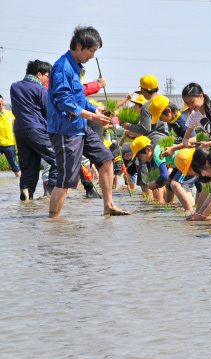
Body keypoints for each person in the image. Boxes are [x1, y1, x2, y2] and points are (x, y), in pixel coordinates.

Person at [47, 25, 129, 217]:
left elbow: (79, 99)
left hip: (80, 128)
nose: (92, 56)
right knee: (67, 180)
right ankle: (53, 223)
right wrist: (93, 116)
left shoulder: (75, 68)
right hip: (65, 131)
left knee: (106, 160)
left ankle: (108, 206)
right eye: (91, 51)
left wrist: (96, 109)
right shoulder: (62, 68)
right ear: (78, 46)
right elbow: (64, 102)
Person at [10, 59, 57, 200]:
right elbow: (49, 112)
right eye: (47, 76)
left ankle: (26, 191)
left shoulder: (14, 87)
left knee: (29, 166)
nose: (47, 79)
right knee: (59, 159)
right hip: (36, 129)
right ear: (39, 74)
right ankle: (50, 192)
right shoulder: (41, 89)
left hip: (19, 131)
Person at [121, 75, 169, 194]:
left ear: (142, 91)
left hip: (153, 144)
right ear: (157, 88)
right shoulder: (165, 101)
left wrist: (129, 126)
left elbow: (145, 128)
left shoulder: (147, 106)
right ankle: (162, 207)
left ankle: (155, 208)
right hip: (166, 141)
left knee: (154, 176)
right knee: (162, 176)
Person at [0, 95, 21, 178]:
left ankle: (20, 180)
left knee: (14, 165)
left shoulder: (10, 114)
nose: (0, 103)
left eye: (1, 101)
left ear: (3, 102)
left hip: (10, 144)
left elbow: (17, 127)